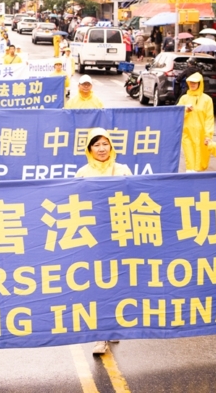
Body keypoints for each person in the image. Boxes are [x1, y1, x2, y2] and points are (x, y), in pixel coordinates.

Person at [74, 128, 130, 354]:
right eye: (96, 145)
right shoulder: (82, 173)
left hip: (117, 237)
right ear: (89, 149)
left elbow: (136, 197)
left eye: (105, 143)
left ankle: (112, 327)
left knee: (116, 285)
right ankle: (100, 336)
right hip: (93, 239)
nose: (101, 149)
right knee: (97, 287)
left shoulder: (122, 170)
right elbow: (74, 203)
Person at [178, 72, 214, 172]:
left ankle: (197, 177)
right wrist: (186, 110)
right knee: (190, 161)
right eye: (191, 82)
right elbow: (177, 115)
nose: (192, 84)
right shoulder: (184, 99)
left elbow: (209, 119)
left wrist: (208, 135)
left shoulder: (207, 100)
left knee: (201, 162)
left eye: (195, 82)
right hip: (187, 134)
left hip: (202, 135)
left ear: (200, 83)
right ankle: (190, 177)